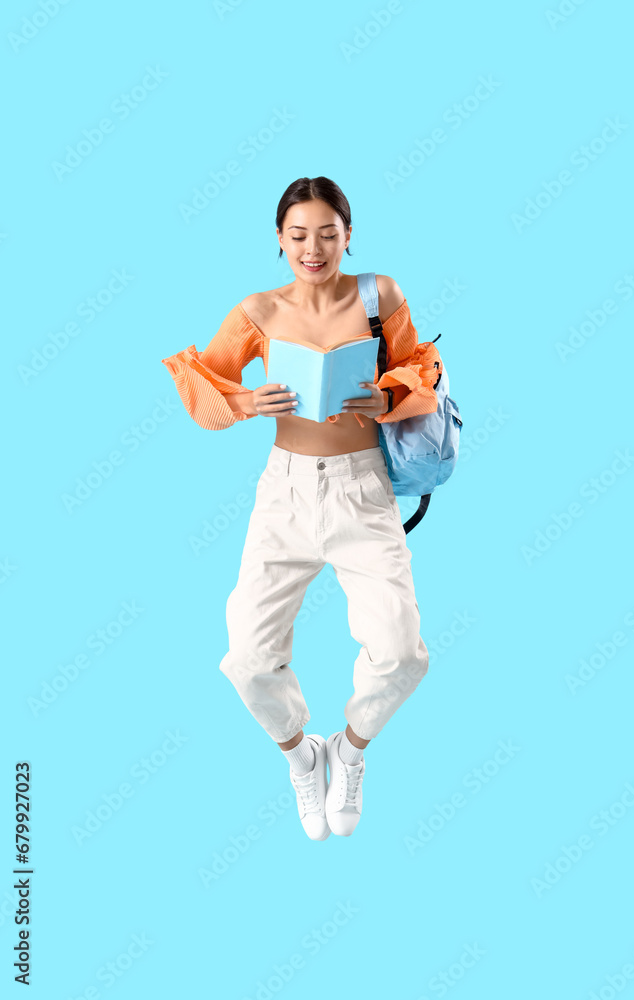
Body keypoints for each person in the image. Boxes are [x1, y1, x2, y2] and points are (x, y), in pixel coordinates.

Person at [161, 176, 439, 841]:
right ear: (279, 241)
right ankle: (300, 755)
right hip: (284, 493)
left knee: (401, 654)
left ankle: (348, 749)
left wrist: (388, 396)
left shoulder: (381, 295)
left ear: (348, 235)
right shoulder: (258, 310)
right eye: (298, 236)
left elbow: (418, 367)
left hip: (361, 486)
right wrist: (247, 402)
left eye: (327, 234)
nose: (312, 248)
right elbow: (204, 379)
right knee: (248, 661)